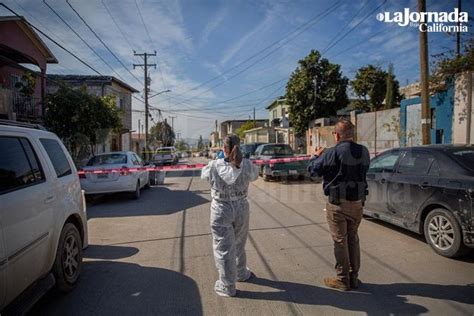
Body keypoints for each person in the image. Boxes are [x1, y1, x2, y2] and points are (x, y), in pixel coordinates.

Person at [307, 118, 370, 291]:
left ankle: (343, 280)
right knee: (353, 238)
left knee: (340, 241)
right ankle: (353, 277)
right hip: (357, 203)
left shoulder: (331, 153)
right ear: (352, 134)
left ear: (336, 135)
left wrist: (315, 156)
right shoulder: (364, 151)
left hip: (338, 205)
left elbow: (313, 171)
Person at [201, 134, 259, 297]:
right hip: (241, 207)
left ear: (224, 148)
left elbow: (204, 176)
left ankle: (227, 285)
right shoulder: (247, 165)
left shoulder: (213, 165)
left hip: (221, 208)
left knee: (223, 248)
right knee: (239, 243)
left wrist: (221, 160)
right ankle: (241, 273)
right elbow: (255, 175)